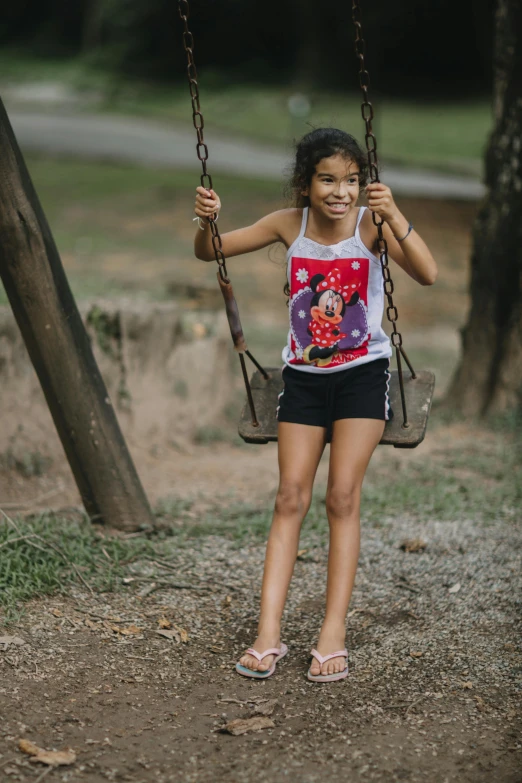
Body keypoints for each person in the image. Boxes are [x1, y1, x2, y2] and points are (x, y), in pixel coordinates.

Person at [194, 128, 437, 683]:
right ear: (305, 185)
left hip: (363, 377)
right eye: (328, 179)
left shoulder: (372, 226)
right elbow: (211, 251)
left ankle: (332, 633)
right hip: (302, 378)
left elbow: (427, 273)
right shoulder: (289, 225)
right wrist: (204, 218)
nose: (341, 192)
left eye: (351, 181)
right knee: (289, 496)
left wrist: (394, 214)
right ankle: (268, 633)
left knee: (342, 496)